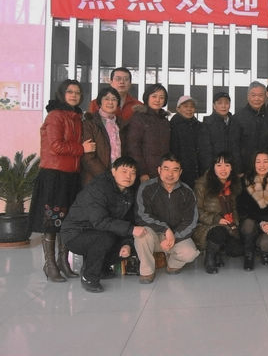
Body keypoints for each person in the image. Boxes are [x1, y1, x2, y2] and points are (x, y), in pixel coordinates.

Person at [30, 79, 96, 282]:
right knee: (51, 221)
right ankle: (50, 264)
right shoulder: (55, 116)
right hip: (54, 175)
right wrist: (82, 149)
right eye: (70, 92)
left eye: (77, 92)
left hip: (71, 176)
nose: (74, 95)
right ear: (62, 94)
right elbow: (55, 146)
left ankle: (63, 261)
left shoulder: (77, 117)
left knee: (66, 220)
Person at [61, 156, 146, 293]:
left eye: (132, 173)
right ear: (113, 171)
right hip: (75, 234)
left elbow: (128, 220)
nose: (128, 176)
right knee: (106, 238)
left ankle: (100, 268)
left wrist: (127, 244)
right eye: (124, 171)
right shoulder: (98, 188)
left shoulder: (128, 192)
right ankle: (89, 276)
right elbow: (100, 221)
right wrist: (131, 229)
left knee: (134, 241)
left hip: (101, 231)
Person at [134, 154, 200, 283]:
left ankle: (173, 264)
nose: (170, 174)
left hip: (176, 236)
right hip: (154, 234)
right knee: (141, 235)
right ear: (159, 170)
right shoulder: (147, 187)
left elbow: (191, 221)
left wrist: (173, 237)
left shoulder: (187, 192)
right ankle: (147, 271)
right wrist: (165, 229)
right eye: (166, 169)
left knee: (190, 253)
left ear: (180, 172)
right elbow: (141, 215)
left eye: (175, 170)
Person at [193, 152, 243, 274]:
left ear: (231, 168)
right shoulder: (202, 184)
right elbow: (197, 210)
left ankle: (218, 251)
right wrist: (216, 219)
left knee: (236, 250)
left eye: (227, 165)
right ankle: (209, 258)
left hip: (227, 224)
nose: (223, 169)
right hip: (205, 225)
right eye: (219, 165)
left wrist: (234, 223)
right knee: (218, 232)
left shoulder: (233, 184)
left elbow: (234, 209)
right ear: (213, 167)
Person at [236, 151, 268, 270]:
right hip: (251, 223)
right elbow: (242, 210)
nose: (262, 165)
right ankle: (249, 254)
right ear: (253, 164)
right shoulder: (245, 181)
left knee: (265, 244)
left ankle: (264, 252)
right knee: (248, 224)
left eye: (265, 161)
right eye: (258, 162)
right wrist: (260, 222)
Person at [126, 83, 170, 182]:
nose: (157, 100)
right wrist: (142, 172)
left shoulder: (164, 120)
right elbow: (133, 147)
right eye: (154, 96)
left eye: (161, 97)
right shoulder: (139, 117)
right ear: (147, 98)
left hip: (163, 170)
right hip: (146, 172)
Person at [81, 86, 123, 186]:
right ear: (100, 102)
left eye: (114, 99)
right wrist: (105, 176)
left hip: (118, 176)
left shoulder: (121, 124)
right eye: (106, 99)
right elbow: (88, 157)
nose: (110, 102)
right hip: (96, 178)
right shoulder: (90, 123)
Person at [232, 82, 268, 175]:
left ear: (265, 96)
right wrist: (238, 169)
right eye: (253, 95)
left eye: (260, 95)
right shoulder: (238, 118)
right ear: (248, 96)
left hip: (267, 169)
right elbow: (234, 147)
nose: (257, 99)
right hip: (245, 169)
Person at [170, 95, 201, 189]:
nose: (189, 109)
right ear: (178, 109)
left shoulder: (199, 126)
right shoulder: (172, 126)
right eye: (185, 106)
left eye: (192, 107)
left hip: (197, 172)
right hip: (180, 171)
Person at [199, 91, 234, 172]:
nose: (223, 106)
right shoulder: (207, 123)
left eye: (226, 103)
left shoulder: (234, 122)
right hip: (214, 169)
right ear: (214, 106)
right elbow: (205, 151)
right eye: (220, 103)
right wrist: (210, 170)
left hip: (231, 169)